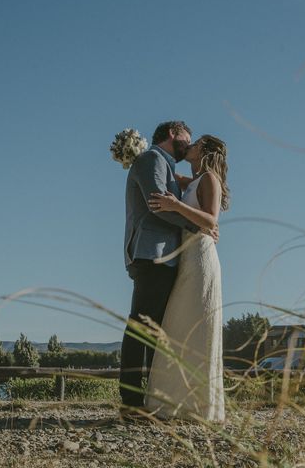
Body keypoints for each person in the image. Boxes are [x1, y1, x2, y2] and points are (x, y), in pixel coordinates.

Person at [119, 121, 219, 416]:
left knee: (156, 331)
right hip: (152, 254)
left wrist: (201, 215)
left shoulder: (165, 166)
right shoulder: (151, 158)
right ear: (174, 134)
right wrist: (195, 225)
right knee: (141, 328)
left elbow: (185, 193)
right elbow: (156, 205)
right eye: (187, 138)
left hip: (168, 256)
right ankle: (131, 402)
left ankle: (150, 399)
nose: (189, 144)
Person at [145, 134, 230, 423]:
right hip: (186, 258)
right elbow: (166, 173)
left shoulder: (209, 179)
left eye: (194, 145)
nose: (188, 147)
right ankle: (174, 402)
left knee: (197, 327)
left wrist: (176, 206)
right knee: (178, 324)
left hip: (202, 258)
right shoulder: (191, 180)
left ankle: (199, 406)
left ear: (204, 151)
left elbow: (211, 221)